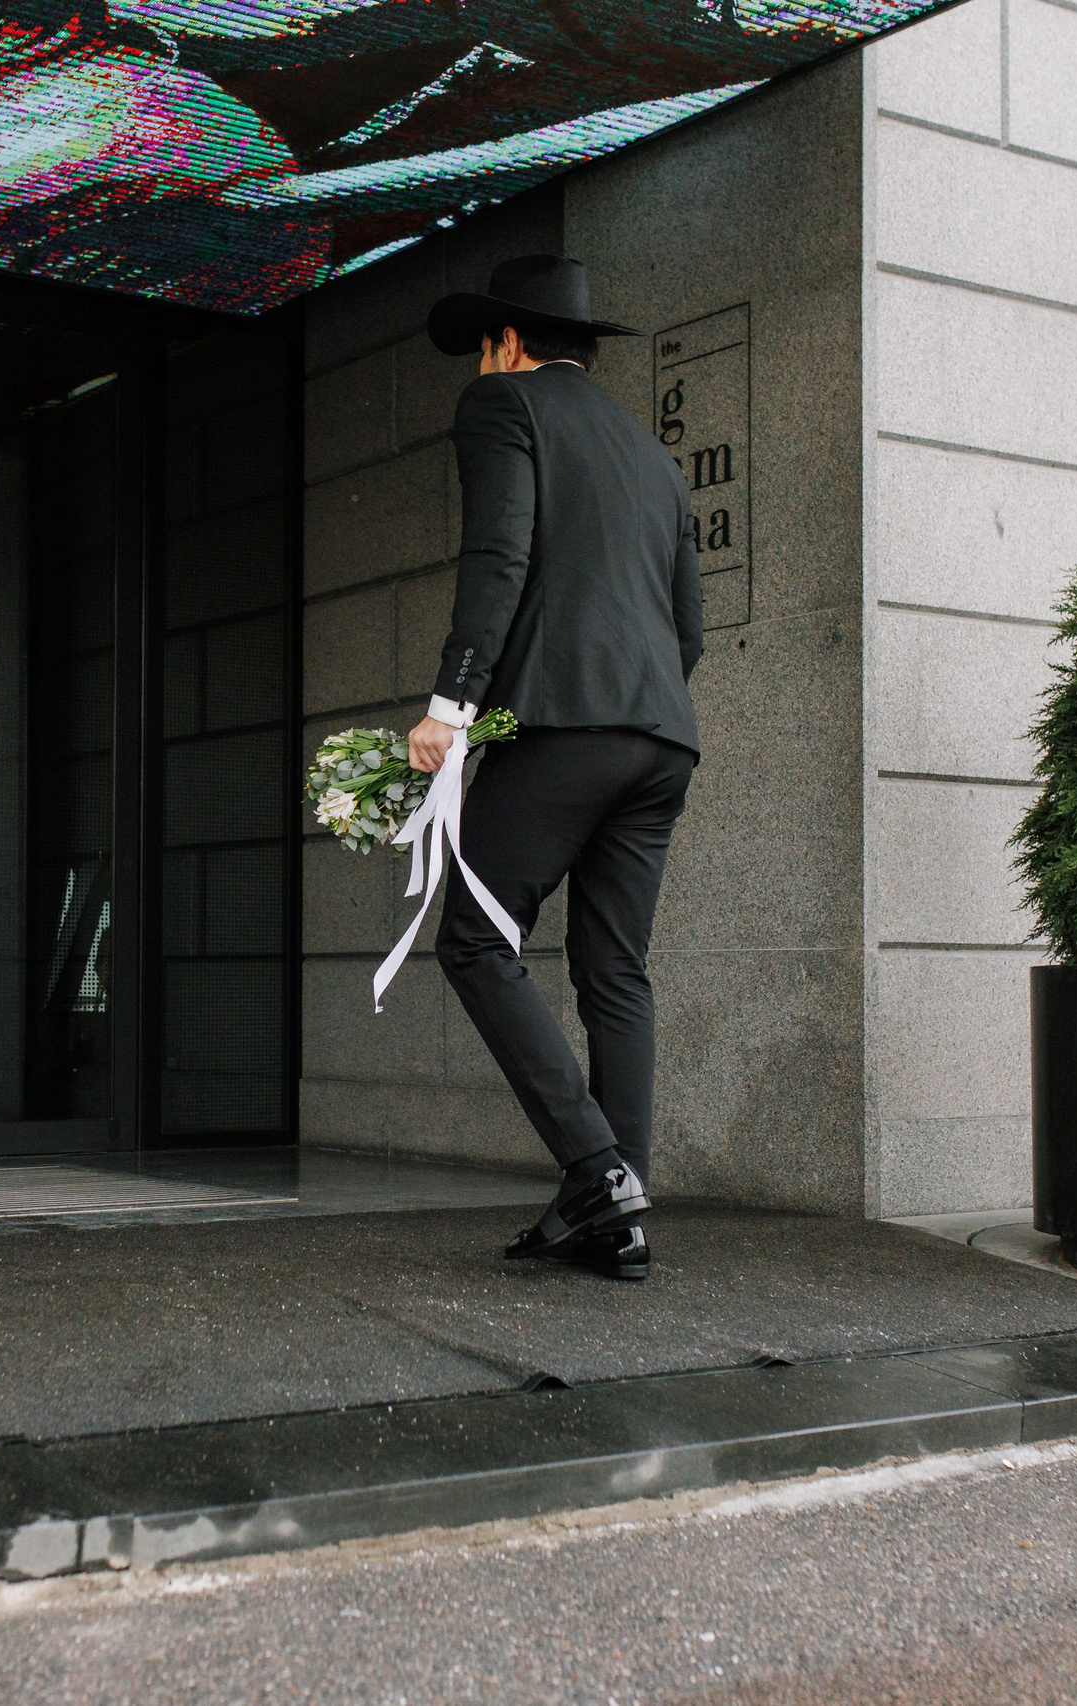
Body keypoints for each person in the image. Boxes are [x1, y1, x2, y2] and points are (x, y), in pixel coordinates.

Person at [412, 254, 704, 1282]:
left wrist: (452, 703)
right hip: (661, 736)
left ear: (507, 341)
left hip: (565, 722)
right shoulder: (654, 457)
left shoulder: (501, 407)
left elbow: (497, 554)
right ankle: (616, 1213)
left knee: (474, 939)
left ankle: (596, 1171)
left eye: (485, 347)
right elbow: (688, 627)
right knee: (613, 970)